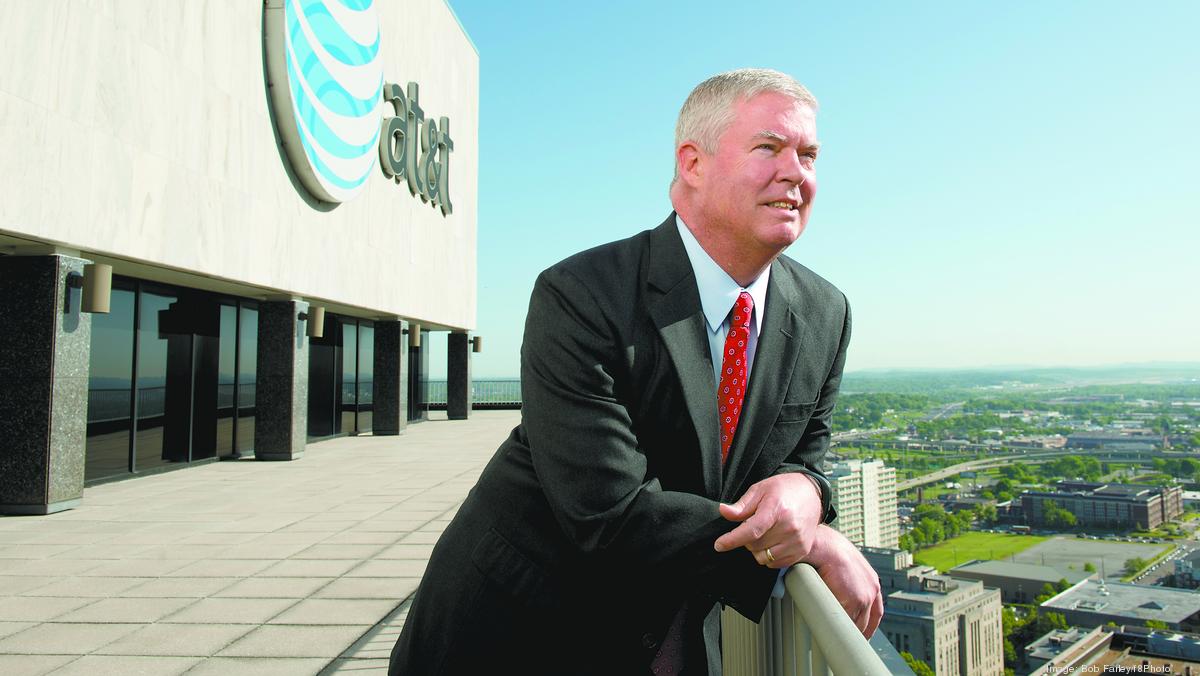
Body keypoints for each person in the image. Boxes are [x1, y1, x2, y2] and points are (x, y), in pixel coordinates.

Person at [389, 68, 882, 676]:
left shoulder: (826, 312)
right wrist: (806, 543)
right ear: (692, 163)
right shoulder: (581, 295)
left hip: (678, 637)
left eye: (809, 155)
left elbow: (807, 455)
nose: (795, 172)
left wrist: (808, 492)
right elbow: (611, 516)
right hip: (522, 635)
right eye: (768, 147)